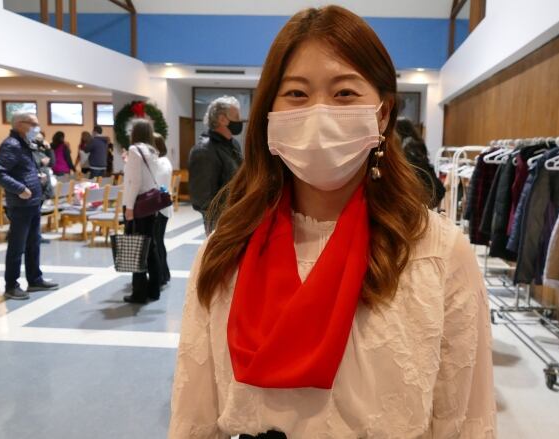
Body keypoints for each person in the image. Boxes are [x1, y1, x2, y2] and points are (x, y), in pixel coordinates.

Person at [169, 6, 495, 439]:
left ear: (382, 113)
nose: (319, 114)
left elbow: (464, 421)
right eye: (297, 95)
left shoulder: (435, 253)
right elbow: (194, 417)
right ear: (269, 113)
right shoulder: (227, 250)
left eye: (344, 93)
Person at [0, 112, 59, 300]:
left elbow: (23, 168)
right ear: (20, 124)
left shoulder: (24, 144)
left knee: (33, 243)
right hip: (20, 204)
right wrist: (20, 188)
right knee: (17, 246)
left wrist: (36, 176)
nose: (37, 128)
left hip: (33, 202)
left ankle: (35, 279)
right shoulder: (11, 145)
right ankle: (11, 285)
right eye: (33, 124)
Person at [122, 119, 165, 304]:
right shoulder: (152, 150)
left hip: (137, 204)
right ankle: (154, 289)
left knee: (136, 248)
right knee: (151, 246)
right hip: (150, 204)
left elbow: (134, 182)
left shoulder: (134, 150)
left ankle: (138, 292)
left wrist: (129, 208)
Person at [188, 95, 243, 232]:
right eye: (236, 117)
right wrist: (223, 220)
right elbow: (202, 199)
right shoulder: (204, 150)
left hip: (237, 215)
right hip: (221, 223)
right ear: (222, 119)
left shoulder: (233, 145)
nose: (240, 121)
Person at [395, 118, 445, 209]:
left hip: (421, 195)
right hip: (426, 193)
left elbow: (415, 174)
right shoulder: (415, 145)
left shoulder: (409, 148)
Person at [152, 132, 172, 285]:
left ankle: (161, 275)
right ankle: (163, 273)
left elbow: (156, 185)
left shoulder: (160, 163)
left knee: (157, 242)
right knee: (158, 242)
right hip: (162, 208)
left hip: (159, 209)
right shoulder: (163, 161)